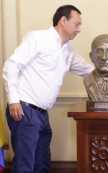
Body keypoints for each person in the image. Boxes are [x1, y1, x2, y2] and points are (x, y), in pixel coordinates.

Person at [3, 5, 94, 173]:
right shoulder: (38, 38)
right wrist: (13, 100)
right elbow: (12, 65)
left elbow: (90, 71)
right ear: (63, 21)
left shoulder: (67, 50)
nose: (79, 29)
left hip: (42, 114)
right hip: (24, 109)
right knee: (25, 166)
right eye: (77, 24)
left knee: (42, 165)